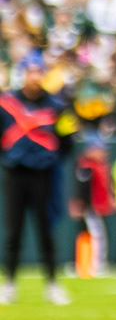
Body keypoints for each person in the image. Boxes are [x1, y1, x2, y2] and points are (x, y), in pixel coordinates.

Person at [1, 74, 69, 304]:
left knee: (46, 229)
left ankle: (52, 283)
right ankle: (9, 283)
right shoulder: (7, 104)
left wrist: (50, 158)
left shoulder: (56, 106)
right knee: (14, 231)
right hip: (16, 173)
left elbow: (66, 140)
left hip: (43, 174)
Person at [70, 137, 113, 276]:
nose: (104, 153)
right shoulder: (86, 165)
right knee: (96, 236)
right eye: (100, 150)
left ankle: (86, 265)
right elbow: (83, 187)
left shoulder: (96, 165)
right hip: (89, 207)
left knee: (92, 235)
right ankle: (94, 265)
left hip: (93, 206)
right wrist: (81, 204)